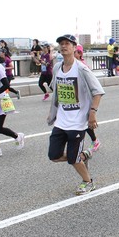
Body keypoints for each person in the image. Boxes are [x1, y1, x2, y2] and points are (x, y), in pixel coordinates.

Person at [47, 34, 105, 195]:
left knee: (73, 159)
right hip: (61, 120)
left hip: (78, 122)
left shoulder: (81, 69)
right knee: (54, 155)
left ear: (74, 47)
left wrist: (92, 114)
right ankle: (82, 157)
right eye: (61, 44)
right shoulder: (58, 67)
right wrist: (52, 112)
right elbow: (57, 91)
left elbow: (98, 92)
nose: (63, 46)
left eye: (67, 44)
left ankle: (88, 181)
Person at [75, 44, 101, 152]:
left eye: (74, 52)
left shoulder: (82, 66)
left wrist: (92, 111)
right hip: (75, 101)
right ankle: (93, 141)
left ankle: (94, 141)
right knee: (81, 124)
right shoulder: (69, 65)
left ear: (79, 53)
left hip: (84, 101)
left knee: (84, 124)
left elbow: (95, 89)